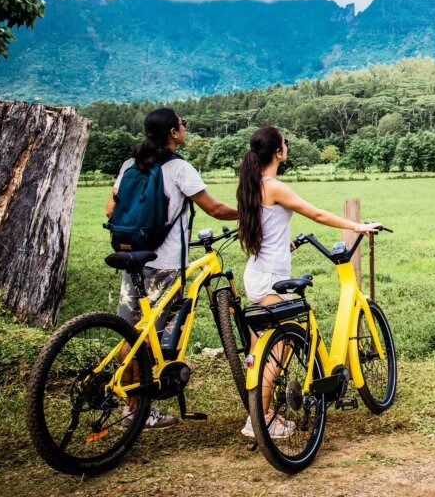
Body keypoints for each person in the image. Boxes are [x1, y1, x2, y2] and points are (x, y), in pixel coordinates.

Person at [236, 125, 381, 438]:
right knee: (277, 349)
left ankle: (261, 416)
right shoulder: (273, 185)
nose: (287, 146)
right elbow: (315, 213)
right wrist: (358, 226)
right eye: (285, 143)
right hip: (272, 279)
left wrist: (283, 242)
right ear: (278, 152)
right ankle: (260, 421)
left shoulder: (250, 184)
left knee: (258, 354)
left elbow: (264, 225)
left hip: (258, 273)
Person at [106, 107, 238, 429]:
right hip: (164, 265)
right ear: (173, 133)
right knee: (149, 338)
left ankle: (132, 407)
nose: (185, 128)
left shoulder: (129, 165)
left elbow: (111, 209)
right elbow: (215, 209)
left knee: (131, 334)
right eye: (183, 124)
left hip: (133, 257)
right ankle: (140, 410)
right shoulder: (180, 168)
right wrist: (249, 214)